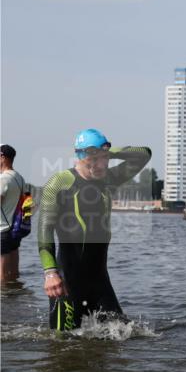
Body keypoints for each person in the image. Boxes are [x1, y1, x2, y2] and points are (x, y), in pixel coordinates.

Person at [37, 129, 152, 330]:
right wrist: (50, 273)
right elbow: (44, 229)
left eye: (105, 159)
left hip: (100, 282)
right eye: (96, 160)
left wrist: (108, 151)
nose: (103, 165)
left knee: (122, 337)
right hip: (67, 282)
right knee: (60, 346)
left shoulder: (109, 179)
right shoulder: (59, 183)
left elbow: (144, 154)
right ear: (81, 156)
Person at [1, 144, 27, 282]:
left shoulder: (3, 179)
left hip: (3, 229)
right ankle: (15, 298)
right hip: (16, 230)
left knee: (2, 277)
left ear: (2, 157)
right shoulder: (19, 177)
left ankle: (5, 301)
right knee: (13, 274)